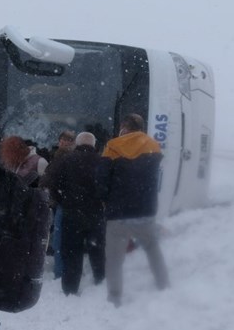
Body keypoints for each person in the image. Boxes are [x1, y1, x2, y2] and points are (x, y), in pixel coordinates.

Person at [97, 114, 169, 307]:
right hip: (145, 210)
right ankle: (164, 285)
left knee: (114, 258)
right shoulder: (153, 146)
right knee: (153, 249)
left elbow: (101, 182)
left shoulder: (112, 146)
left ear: (124, 128)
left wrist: (106, 201)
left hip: (118, 212)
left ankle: (114, 298)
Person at [43, 131, 106, 295]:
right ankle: (101, 282)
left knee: (72, 253)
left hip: (71, 214)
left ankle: (70, 289)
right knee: (97, 251)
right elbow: (111, 188)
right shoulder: (103, 162)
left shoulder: (65, 160)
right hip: (96, 215)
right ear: (94, 145)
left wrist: (61, 200)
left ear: (77, 144)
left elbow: (49, 182)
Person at [43, 130, 76, 280]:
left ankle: (60, 272)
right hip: (63, 202)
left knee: (59, 238)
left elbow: (50, 180)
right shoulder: (56, 156)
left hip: (63, 203)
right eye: (63, 139)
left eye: (69, 140)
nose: (65, 142)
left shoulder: (64, 158)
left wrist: (54, 196)